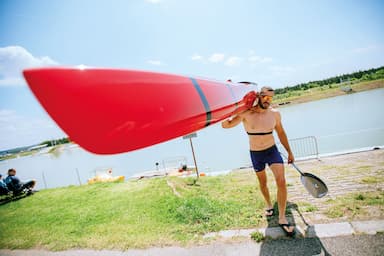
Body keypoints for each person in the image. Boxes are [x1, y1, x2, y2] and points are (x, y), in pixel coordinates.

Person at [221, 86, 295, 236]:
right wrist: (228, 112)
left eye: (271, 98)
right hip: (256, 153)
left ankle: (282, 217)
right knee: (263, 182)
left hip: (272, 151)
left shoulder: (275, 114)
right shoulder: (246, 114)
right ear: (258, 96)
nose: (268, 100)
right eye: (265, 97)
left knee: (281, 181)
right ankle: (269, 204)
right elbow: (226, 125)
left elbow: (281, 132)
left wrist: (289, 152)